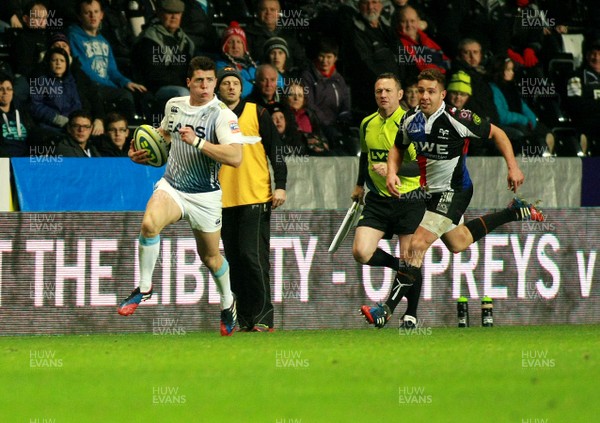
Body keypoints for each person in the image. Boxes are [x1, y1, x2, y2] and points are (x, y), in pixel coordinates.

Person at [363, 69, 545, 327]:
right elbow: (397, 148)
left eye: (431, 91)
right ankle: (515, 212)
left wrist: (513, 167)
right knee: (458, 243)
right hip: (431, 194)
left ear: (443, 94)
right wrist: (392, 171)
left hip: (455, 190)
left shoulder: (458, 118)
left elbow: (498, 134)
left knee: (417, 244)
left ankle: (386, 309)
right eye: (421, 90)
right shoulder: (411, 120)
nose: (424, 96)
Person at [117, 56, 243, 337]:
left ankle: (227, 302)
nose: (206, 86)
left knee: (211, 258)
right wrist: (142, 156)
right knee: (149, 224)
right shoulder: (173, 106)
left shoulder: (222, 115)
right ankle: (145, 288)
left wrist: (198, 142)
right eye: (199, 80)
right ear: (188, 83)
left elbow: (236, 157)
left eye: (210, 80)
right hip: (172, 186)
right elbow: (163, 139)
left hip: (205, 196)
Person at [217, 66, 287, 332]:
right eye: (226, 84)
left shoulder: (257, 112)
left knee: (252, 256)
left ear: (241, 87)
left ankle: (263, 315)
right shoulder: (212, 115)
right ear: (218, 89)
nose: (232, 87)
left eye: (235, 83)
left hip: (255, 195)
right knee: (234, 260)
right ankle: (245, 317)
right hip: (223, 200)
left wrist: (280, 185)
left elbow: (277, 151)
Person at [355, 73, 425, 329]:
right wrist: (359, 184)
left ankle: (411, 314)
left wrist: (393, 170)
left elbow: (421, 166)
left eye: (387, 91)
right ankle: (400, 267)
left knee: (412, 255)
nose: (382, 95)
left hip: (409, 197)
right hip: (378, 200)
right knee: (361, 251)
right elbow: (365, 155)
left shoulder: (412, 124)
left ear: (399, 95)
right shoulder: (367, 123)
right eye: (378, 91)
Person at [67, 0, 147, 120]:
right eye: (87, 13)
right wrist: (113, 86)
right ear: (79, 16)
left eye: (95, 12)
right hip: (90, 86)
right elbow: (83, 70)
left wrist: (126, 82)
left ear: (101, 15)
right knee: (124, 96)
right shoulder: (73, 36)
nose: (92, 16)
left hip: (107, 85)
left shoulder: (104, 41)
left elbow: (112, 70)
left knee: (142, 94)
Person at [132, 0, 194, 115]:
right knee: (183, 93)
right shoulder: (149, 39)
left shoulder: (186, 41)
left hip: (181, 85)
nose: (174, 17)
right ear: (160, 13)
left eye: (177, 13)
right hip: (156, 89)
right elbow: (154, 75)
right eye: (169, 12)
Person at [489, 55, 555, 156]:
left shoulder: (512, 88)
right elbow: (501, 116)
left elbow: (524, 107)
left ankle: (548, 154)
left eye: (512, 69)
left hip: (520, 122)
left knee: (544, 131)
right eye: (508, 69)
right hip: (506, 125)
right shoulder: (493, 89)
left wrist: (531, 120)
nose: (512, 72)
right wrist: (524, 120)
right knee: (523, 133)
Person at [300, 38, 354, 155]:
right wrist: (326, 123)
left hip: (337, 126)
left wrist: (344, 119)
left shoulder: (339, 79)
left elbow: (345, 102)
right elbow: (309, 104)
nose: (325, 61)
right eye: (322, 56)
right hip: (318, 126)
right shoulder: (308, 77)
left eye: (329, 57)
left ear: (335, 58)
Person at [29, 47, 83, 134]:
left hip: (71, 127)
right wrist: (57, 119)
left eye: (62, 61)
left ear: (67, 64)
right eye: (54, 60)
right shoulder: (40, 81)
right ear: (49, 63)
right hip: (48, 128)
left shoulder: (71, 81)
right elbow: (35, 106)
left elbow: (76, 103)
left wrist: (73, 120)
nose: (58, 63)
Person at [394, 5, 450, 82]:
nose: (409, 25)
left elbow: (444, 63)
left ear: (418, 21)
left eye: (412, 21)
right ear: (398, 23)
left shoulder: (425, 39)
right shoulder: (397, 44)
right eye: (404, 21)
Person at [566, 38, 600, 155]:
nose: (597, 58)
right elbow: (575, 105)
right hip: (587, 124)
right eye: (593, 54)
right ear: (586, 56)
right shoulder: (576, 77)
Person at [215, 21, 258, 100]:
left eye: (239, 42)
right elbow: (240, 89)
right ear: (224, 46)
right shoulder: (221, 66)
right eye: (231, 42)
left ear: (244, 46)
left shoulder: (254, 65)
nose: (235, 46)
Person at [0, 73, 36, 157]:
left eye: (9, 89)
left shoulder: (22, 112)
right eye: (1, 89)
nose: (5, 92)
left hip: (25, 159)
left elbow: (33, 132)